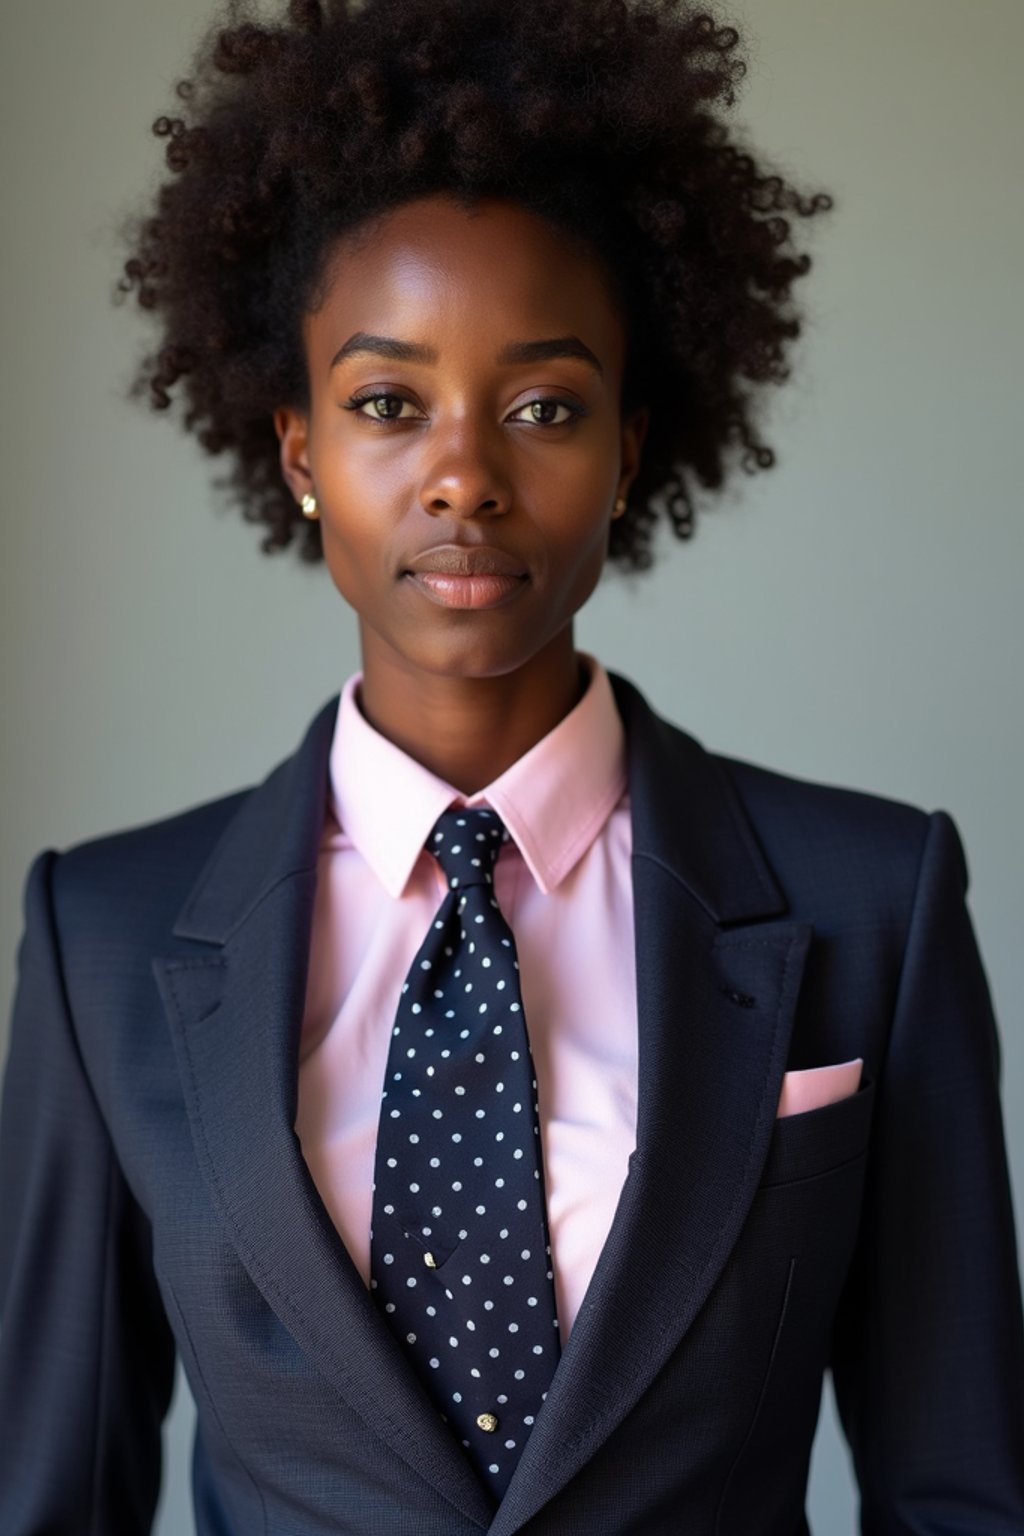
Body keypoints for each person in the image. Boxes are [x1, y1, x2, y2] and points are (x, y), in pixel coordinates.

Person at [1, 0, 1021, 1530]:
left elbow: (966, 1493)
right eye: (386, 405)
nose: (465, 473)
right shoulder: (107, 937)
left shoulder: (874, 899)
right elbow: (45, 1497)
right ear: (297, 452)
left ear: (625, 447)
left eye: (543, 406)